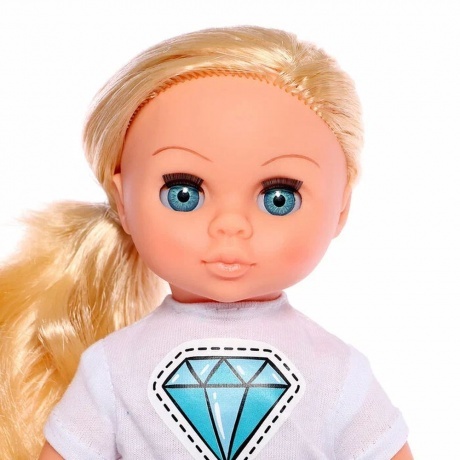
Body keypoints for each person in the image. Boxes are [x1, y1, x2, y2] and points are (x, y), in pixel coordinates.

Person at [0, 26, 412, 459]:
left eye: (279, 198)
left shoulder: (337, 371)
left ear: (341, 207)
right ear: (123, 202)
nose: (230, 225)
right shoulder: (113, 368)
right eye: (184, 194)